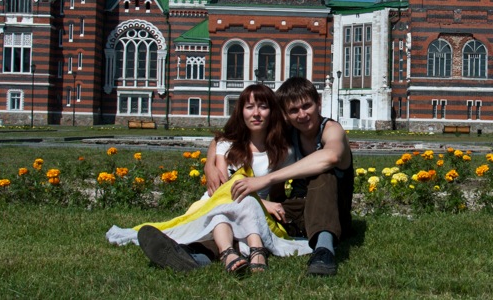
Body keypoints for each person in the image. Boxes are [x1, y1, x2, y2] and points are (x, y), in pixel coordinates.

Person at [106, 84, 310, 273]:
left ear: (272, 112)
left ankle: (209, 255)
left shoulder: (283, 152)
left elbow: (277, 192)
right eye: (249, 107)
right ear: (241, 112)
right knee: (228, 208)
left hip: (252, 213)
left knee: (232, 213)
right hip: (219, 202)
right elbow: (224, 189)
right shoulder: (226, 145)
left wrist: (268, 206)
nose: (256, 113)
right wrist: (264, 203)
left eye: (263, 107)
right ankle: (251, 252)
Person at [230, 77, 354, 276]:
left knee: (323, 174)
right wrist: (211, 160)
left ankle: (324, 251)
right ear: (285, 115)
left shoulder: (331, 129)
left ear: (318, 103)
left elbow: (331, 156)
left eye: (307, 106)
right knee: (247, 207)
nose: (302, 115)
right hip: (300, 211)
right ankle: (200, 249)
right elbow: (238, 134)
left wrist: (267, 179)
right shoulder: (290, 134)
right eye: (294, 110)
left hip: (333, 214)